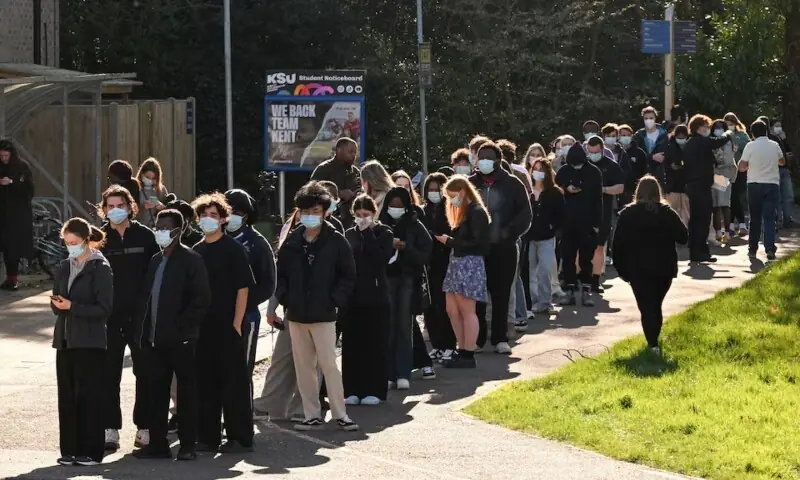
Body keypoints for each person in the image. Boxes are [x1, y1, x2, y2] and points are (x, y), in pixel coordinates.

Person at [274, 181, 359, 431]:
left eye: (316, 211)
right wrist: (286, 300)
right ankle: (311, 414)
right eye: (306, 211)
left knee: (329, 365)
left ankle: (340, 413)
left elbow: (348, 275)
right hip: (297, 315)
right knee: (304, 367)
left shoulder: (336, 240)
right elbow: (282, 276)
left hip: (324, 314)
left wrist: (334, 300)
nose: (311, 216)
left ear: (325, 212)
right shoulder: (291, 242)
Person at [133, 209, 211, 460]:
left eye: (165, 227)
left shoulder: (191, 260)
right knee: (155, 393)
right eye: (158, 226)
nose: (160, 231)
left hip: (181, 340)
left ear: (178, 231)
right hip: (154, 340)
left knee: (187, 395)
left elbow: (201, 300)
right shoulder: (155, 260)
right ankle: (157, 444)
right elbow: (146, 298)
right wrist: (142, 332)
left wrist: (183, 328)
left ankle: (188, 446)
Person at [191, 193, 255, 452]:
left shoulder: (234, 249)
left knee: (234, 383)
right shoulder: (196, 251)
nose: (208, 220)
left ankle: (239, 437)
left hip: (228, 325)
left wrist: (237, 323)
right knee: (205, 381)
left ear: (224, 219)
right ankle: (208, 436)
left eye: (214, 216)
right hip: (202, 327)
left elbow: (243, 288)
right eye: (204, 216)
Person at [98, 185, 159, 451]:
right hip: (109, 317)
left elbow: (156, 272)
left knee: (144, 372)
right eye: (110, 206)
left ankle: (144, 427)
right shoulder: (98, 237)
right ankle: (109, 428)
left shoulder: (145, 236)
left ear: (130, 206)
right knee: (108, 374)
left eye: (119, 205)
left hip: (140, 317)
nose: (115, 210)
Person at [51, 218, 113, 466]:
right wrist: (58, 304)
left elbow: (104, 308)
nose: (70, 248)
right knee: (67, 397)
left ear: (86, 240)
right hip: (65, 340)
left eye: (74, 243)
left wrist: (72, 306)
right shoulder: (65, 266)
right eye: (67, 243)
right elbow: (57, 301)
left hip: (90, 341)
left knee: (89, 397)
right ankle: (69, 449)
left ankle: (91, 450)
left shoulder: (100, 267)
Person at [612, 175, 688, 355]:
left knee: (646, 307)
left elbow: (617, 245)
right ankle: (653, 342)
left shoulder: (627, 214)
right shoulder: (667, 212)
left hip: (637, 269)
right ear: (658, 192)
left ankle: (652, 343)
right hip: (664, 268)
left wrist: (621, 270)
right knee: (655, 305)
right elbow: (683, 237)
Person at [470, 141, 532, 354]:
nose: (484, 161)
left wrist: (509, 233)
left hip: (505, 248)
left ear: (497, 160)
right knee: (477, 295)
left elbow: (525, 214)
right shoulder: (470, 184)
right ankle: (477, 339)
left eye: (489, 156)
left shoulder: (513, 184)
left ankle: (500, 338)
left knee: (502, 294)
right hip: (476, 249)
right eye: (481, 156)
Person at [224, 189, 276, 405]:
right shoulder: (212, 240)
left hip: (247, 316)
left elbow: (268, 284)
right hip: (216, 316)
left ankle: (241, 423)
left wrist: (243, 303)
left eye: (237, 211)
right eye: (227, 210)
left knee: (241, 371)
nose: (231, 215)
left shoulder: (257, 243)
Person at [342, 194, 394, 404]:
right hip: (353, 298)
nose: (362, 219)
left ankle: (375, 389)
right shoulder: (348, 235)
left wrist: (369, 235)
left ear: (374, 214)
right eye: (359, 215)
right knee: (352, 345)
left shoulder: (384, 233)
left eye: (367, 215)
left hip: (376, 296)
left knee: (375, 344)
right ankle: (352, 389)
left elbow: (381, 259)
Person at [253, 210, 304, 424]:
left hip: (319, 310)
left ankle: (303, 407)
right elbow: (279, 278)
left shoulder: (331, 237)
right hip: (292, 308)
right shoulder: (289, 238)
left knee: (310, 362)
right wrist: (272, 309)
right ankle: (269, 404)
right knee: (282, 358)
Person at [380, 186, 434, 387]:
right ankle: (389, 373)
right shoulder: (381, 225)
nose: (395, 208)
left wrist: (405, 247)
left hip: (407, 280)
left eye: (399, 205)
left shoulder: (415, 225)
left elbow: (426, 252)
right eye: (392, 204)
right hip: (386, 281)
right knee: (388, 327)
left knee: (404, 326)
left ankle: (403, 373)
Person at [434, 175, 490, 368]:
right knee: (452, 309)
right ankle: (461, 347)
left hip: (469, 264)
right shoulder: (464, 212)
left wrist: (449, 241)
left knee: (467, 310)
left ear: (463, 191)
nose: (451, 200)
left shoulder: (476, 212)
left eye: (453, 196)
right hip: (457, 262)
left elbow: (479, 244)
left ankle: (468, 352)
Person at [555, 144, 603, 307]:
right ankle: (569, 289)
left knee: (585, 258)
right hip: (567, 223)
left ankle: (586, 289)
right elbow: (556, 191)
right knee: (567, 257)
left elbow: (598, 199)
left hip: (587, 223)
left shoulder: (593, 172)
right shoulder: (563, 171)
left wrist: (597, 224)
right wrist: (566, 189)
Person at [683, 114, 733, 263]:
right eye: (706, 126)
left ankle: (696, 251)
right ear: (699, 127)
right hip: (701, 186)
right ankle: (700, 252)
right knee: (703, 219)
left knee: (696, 219)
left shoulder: (689, 143)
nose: (708, 129)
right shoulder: (701, 142)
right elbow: (718, 141)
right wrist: (728, 133)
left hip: (692, 185)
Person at [420, 172, 456, 362]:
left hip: (445, 261)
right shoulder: (423, 211)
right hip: (428, 263)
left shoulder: (449, 210)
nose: (433, 193)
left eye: (437, 189)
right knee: (430, 307)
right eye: (430, 189)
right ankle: (437, 345)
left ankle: (449, 344)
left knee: (444, 306)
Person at [738, 120, 783, 261]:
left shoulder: (750, 146)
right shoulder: (774, 145)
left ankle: (752, 249)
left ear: (752, 133)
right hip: (772, 184)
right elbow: (782, 161)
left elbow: (742, 166)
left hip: (754, 184)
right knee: (769, 218)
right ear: (766, 130)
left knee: (755, 218)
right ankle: (770, 248)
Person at [585, 136, 624, 294]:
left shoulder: (611, 166)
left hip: (603, 212)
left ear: (602, 149)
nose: (593, 155)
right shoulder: (583, 166)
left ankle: (595, 280)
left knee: (599, 247)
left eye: (596, 152)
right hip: (583, 213)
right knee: (582, 247)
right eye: (590, 152)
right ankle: (581, 280)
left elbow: (620, 187)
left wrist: (603, 190)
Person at [526, 159, 564, 316]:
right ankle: (532, 302)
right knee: (530, 271)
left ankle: (545, 302)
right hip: (529, 238)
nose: (538, 172)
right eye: (536, 169)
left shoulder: (555, 192)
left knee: (545, 270)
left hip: (546, 238)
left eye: (541, 169)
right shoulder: (527, 191)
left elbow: (561, 215)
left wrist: (552, 228)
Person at [0, 140, 34, 291]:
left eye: (6, 155)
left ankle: (12, 278)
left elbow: (29, 190)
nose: (4, 159)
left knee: (12, 248)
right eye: (1, 156)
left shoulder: (22, 167)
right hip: (3, 214)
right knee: (6, 248)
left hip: (16, 216)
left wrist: (12, 183)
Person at [311, 137, 361, 229]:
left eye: (355, 152)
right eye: (350, 152)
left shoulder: (356, 172)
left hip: (351, 222)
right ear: (339, 150)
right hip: (327, 220)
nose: (353, 155)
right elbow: (312, 192)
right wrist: (339, 194)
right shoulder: (324, 169)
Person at [762, 117, 794, 228]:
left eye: (780, 126)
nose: (779, 128)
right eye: (776, 126)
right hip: (775, 170)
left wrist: (784, 140)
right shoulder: (770, 139)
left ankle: (787, 219)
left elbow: (788, 152)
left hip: (785, 169)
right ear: (770, 128)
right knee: (778, 198)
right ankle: (778, 221)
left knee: (788, 196)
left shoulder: (781, 139)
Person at [710, 119, 739, 243]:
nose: (718, 129)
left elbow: (726, 159)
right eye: (716, 127)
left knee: (721, 205)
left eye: (721, 127)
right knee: (718, 205)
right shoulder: (713, 141)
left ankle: (724, 232)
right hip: (715, 175)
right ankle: (720, 232)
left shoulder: (727, 141)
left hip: (722, 174)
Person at [724, 113, 752, 236]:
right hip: (725, 171)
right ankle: (737, 223)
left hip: (739, 170)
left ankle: (734, 223)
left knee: (736, 195)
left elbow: (749, 149)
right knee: (729, 196)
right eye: (727, 123)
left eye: (732, 123)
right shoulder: (722, 136)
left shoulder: (742, 135)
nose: (730, 125)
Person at [632, 107, 669, 190]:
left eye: (651, 118)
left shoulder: (664, 135)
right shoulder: (638, 135)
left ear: (655, 118)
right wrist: (651, 157)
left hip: (661, 174)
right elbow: (635, 154)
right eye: (646, 118)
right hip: (643, 174)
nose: (649, 120)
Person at [664, 124, 691, 226]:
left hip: (686, 187)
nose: (681, 139)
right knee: (673, 213)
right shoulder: (670, 147)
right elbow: (671, 166)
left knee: (686, 213)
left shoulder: (690, 147)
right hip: (673, 186)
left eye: (683, 137)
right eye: (678, 137)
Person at [617, 124, 649, 206]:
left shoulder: (639, 153)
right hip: (618, 190)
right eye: (623, 135)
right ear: (618, 136)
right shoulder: (615, 152)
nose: (626, 137)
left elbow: (644, 171)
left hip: (634, 190)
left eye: (628, 135)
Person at [135, 158, 169, 228]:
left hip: (155, 228)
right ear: (141, 174)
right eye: (147, 177)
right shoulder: (135, 187)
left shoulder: (161, 189)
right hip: (138, 228)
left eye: (153, 178)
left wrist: (162, 207)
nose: (150, 180)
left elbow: (169, 211)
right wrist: (143, 207)